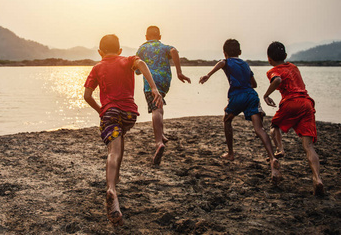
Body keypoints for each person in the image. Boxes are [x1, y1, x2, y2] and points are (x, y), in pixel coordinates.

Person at [84, 34, 163, 226]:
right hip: (129, 114)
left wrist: (101, 111)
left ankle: (111, 188)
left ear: (100, 52)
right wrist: (153, 88)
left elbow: (87, 95)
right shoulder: (127, 60)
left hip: (110, 112)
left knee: (113, 150)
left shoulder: (97, 67)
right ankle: (116, 176)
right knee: (120, 139)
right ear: (119, 50)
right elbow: (142, 63)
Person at [199, 39, 281, 183]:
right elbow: (254, 84)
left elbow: (220, 63)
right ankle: (272, 157)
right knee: (259, 129)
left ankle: (230, 153)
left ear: (225, 53)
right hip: (251, 95)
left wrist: (208, 75)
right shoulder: (245, 64)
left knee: (227, 120)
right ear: (240, 52)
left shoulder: (226, 62)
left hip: (238, 95)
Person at [263, 41, 324, 195]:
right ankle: (317, 179)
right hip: (307, 103)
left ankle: (280, 149)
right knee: (308, 146)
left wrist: (266, 94)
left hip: (291, 102)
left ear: (269, 58)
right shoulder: (294, 67)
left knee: (274, 126)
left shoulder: (273, 70)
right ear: (285, 56)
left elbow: (277, 80)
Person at [136, 26, 191, 165]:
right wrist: (179, 72)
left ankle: (158, 142)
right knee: (159, 105)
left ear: (146, 36)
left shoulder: (142, 48)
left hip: (151, 82)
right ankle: (162, 135)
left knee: (156, 109)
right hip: (165, 81)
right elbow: (173, 51)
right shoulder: (164, 46)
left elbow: (136, 69)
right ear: (159, 36)